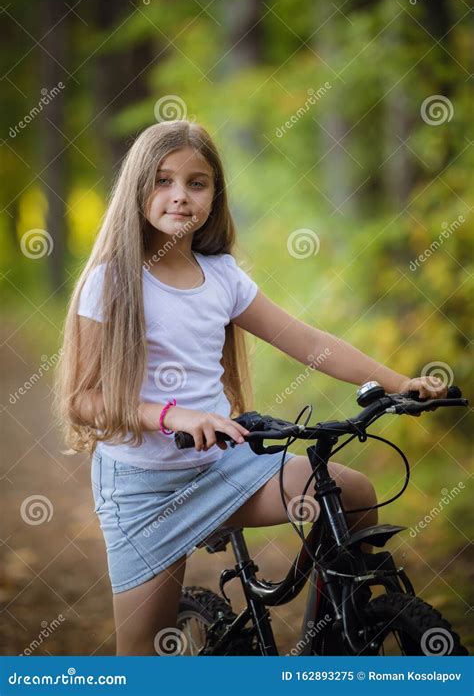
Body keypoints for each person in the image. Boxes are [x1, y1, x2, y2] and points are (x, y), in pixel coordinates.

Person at [54, 119, 447, 655]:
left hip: (223, 466)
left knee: (351, 491)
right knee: (142, 652)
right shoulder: (111, 281)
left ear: (215, 195)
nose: (180, 196)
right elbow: (82, 398)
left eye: (197, 183)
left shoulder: (222, 276)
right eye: (163, 181)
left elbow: (310, 343)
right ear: (137, 189)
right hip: (144, 488)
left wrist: (401, 383)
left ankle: (333, 635)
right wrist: (175, 416)